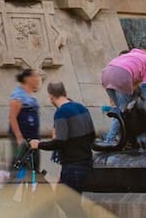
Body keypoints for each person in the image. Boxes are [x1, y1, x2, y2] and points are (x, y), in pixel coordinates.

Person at [29, 82, 96, 218]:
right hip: (85, 162)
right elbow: (92, 135)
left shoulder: (61, 113)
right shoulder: (81, 107)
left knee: (67, 202)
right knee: (68, 201)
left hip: (73, 165)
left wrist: (38, 145)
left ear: (51, 97)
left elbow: (60, 141)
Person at [98, 49, 146, 147]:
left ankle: (119, 136)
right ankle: (110, 139)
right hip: (122, 75)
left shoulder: (131, 55)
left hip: (106, 74)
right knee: (123, 110)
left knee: (117, 109)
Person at [7, 68, 43, 186]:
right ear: (28, 79)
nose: (38, 80)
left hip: (34, 138)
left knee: (34, 166)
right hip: (23, 138)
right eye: (35, 77)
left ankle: (33, 191)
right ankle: (10, 192)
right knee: (18, 165)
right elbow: (12, 117)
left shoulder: (32, 96)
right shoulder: (18, 95)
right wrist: (19, 137)